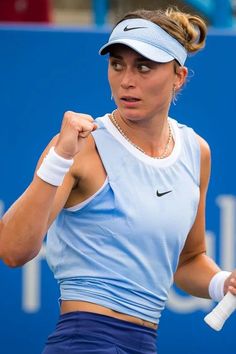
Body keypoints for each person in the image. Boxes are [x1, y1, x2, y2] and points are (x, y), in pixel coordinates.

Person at [0, 6, 236, 354]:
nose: (127, 80)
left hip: (145, 344)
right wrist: (58, 160)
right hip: (84, 342)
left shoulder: (195, 151)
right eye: (117, 64)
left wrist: (222, 283)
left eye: (144, 67)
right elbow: (12, 251)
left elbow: (189, 260)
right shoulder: (79, 146)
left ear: (178, 77)